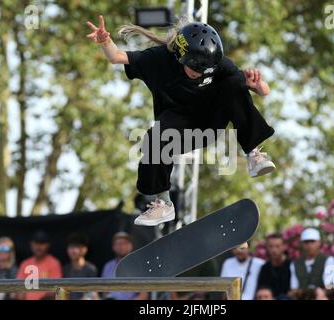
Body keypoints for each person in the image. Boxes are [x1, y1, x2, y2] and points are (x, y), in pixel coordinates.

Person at [86, 16, 276, 226]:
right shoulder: (157, 59)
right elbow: (117, 57)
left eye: (204, 70)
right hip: (178, 127)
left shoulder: (218, 64)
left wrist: (257, 86)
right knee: (154, 138)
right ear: (180, 56)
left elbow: (264, 90)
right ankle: (162, 202)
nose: (198, 73)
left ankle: (253, 153)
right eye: (194, 69)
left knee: (234, 83)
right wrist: (105, 41)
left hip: (210, 123)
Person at [101, 232, 148, 300]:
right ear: (113, 247)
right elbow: (104, 291)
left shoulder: (139, 266)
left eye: (125, 243)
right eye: (118, 244)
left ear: (131, 246)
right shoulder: (108, 266)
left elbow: (144, 294)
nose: (122, 246)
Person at [16, 231, 62, 300]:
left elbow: (55, 290)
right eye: (36, 243)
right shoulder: (25, 263)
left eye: (42, 243)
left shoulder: (54, 263)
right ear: (31, 244)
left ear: (48, 245)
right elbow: (19, 287)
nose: (39, 246)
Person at [63, 233, 99, 300]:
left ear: (84, 249)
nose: (73, 251)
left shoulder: (90, 269)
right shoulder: (66, 269)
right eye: (71, 247)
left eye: (77, 247)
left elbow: (91, 293)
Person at [256, 233, 291, 298]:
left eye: (277, 246)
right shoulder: (265, 268)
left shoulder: (291, 266)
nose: (274, 250)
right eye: (271, 246)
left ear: (283, 247)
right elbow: (261, 291)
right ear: (267, 247)